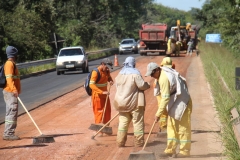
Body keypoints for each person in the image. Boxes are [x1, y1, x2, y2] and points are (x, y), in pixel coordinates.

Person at [145, 57, 192, 158]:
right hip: (176, 101)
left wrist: (158, 114)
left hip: (183, 102)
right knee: (171, 126)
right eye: (151, 75)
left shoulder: (163, 78)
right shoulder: (161, 75)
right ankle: (170, 149)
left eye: (152, 74)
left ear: (157, 70)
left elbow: (165, 98)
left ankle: (184, 151)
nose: (152, 76)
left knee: (182, 127)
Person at [114, 56, 150, 147]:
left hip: (121, 103)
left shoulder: (120, 74)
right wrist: (147, 85)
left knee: (123, 123)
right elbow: (141, 85)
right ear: (133, 63)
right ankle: (139, 143)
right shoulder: (135, 74)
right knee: (137, 122)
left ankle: (120, 142)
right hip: (135, 103)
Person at [89, 58, 114, 134]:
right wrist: (101, 92)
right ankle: (99, 132)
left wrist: (110, 80)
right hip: (97, 96)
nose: (107, 69)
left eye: (108, 68)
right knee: (99, 113)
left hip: (105, 95)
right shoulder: (95, 72)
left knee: (107, 112)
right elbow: (91, 84)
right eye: (106, 67)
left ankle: (106, 128)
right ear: (103, 64)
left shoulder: (107, 70)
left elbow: (108, 77)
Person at [3, 46, 21, 140]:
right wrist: (14, 90)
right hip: (10, 92)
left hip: (11, 91)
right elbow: (9, 79)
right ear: (14, 54)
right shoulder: (9, 64)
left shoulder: (12, 64)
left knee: (11, 112)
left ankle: (9, 132)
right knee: (11, 112)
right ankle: (8, 134)